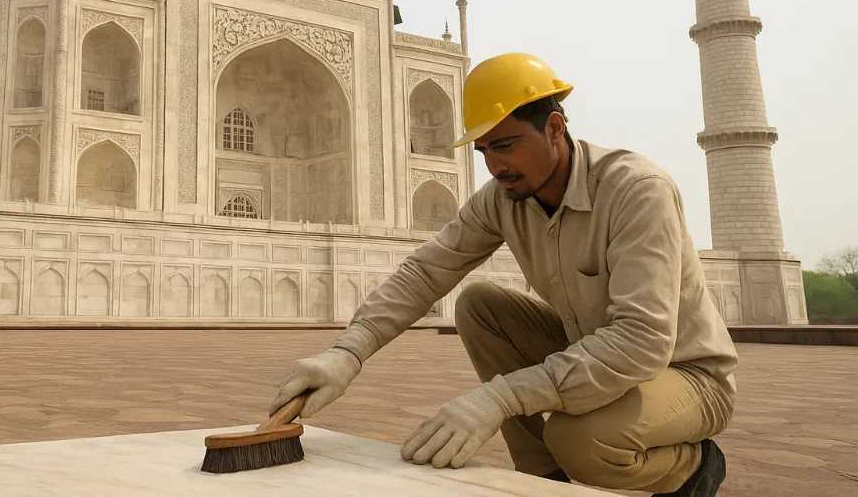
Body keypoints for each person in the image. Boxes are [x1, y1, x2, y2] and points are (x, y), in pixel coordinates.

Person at [270, 52, 737, 497]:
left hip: (685, 373)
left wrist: (499, 398)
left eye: (507, 144)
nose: (495, 165)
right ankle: (541, 479)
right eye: (484, 149)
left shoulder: (635, 191)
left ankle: (694, 467)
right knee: (480, 305)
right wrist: (347, 354)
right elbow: (426, 271)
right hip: (597, 351)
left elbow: (641, 340)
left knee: (581, 441)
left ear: (554, 128)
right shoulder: (503, 197)